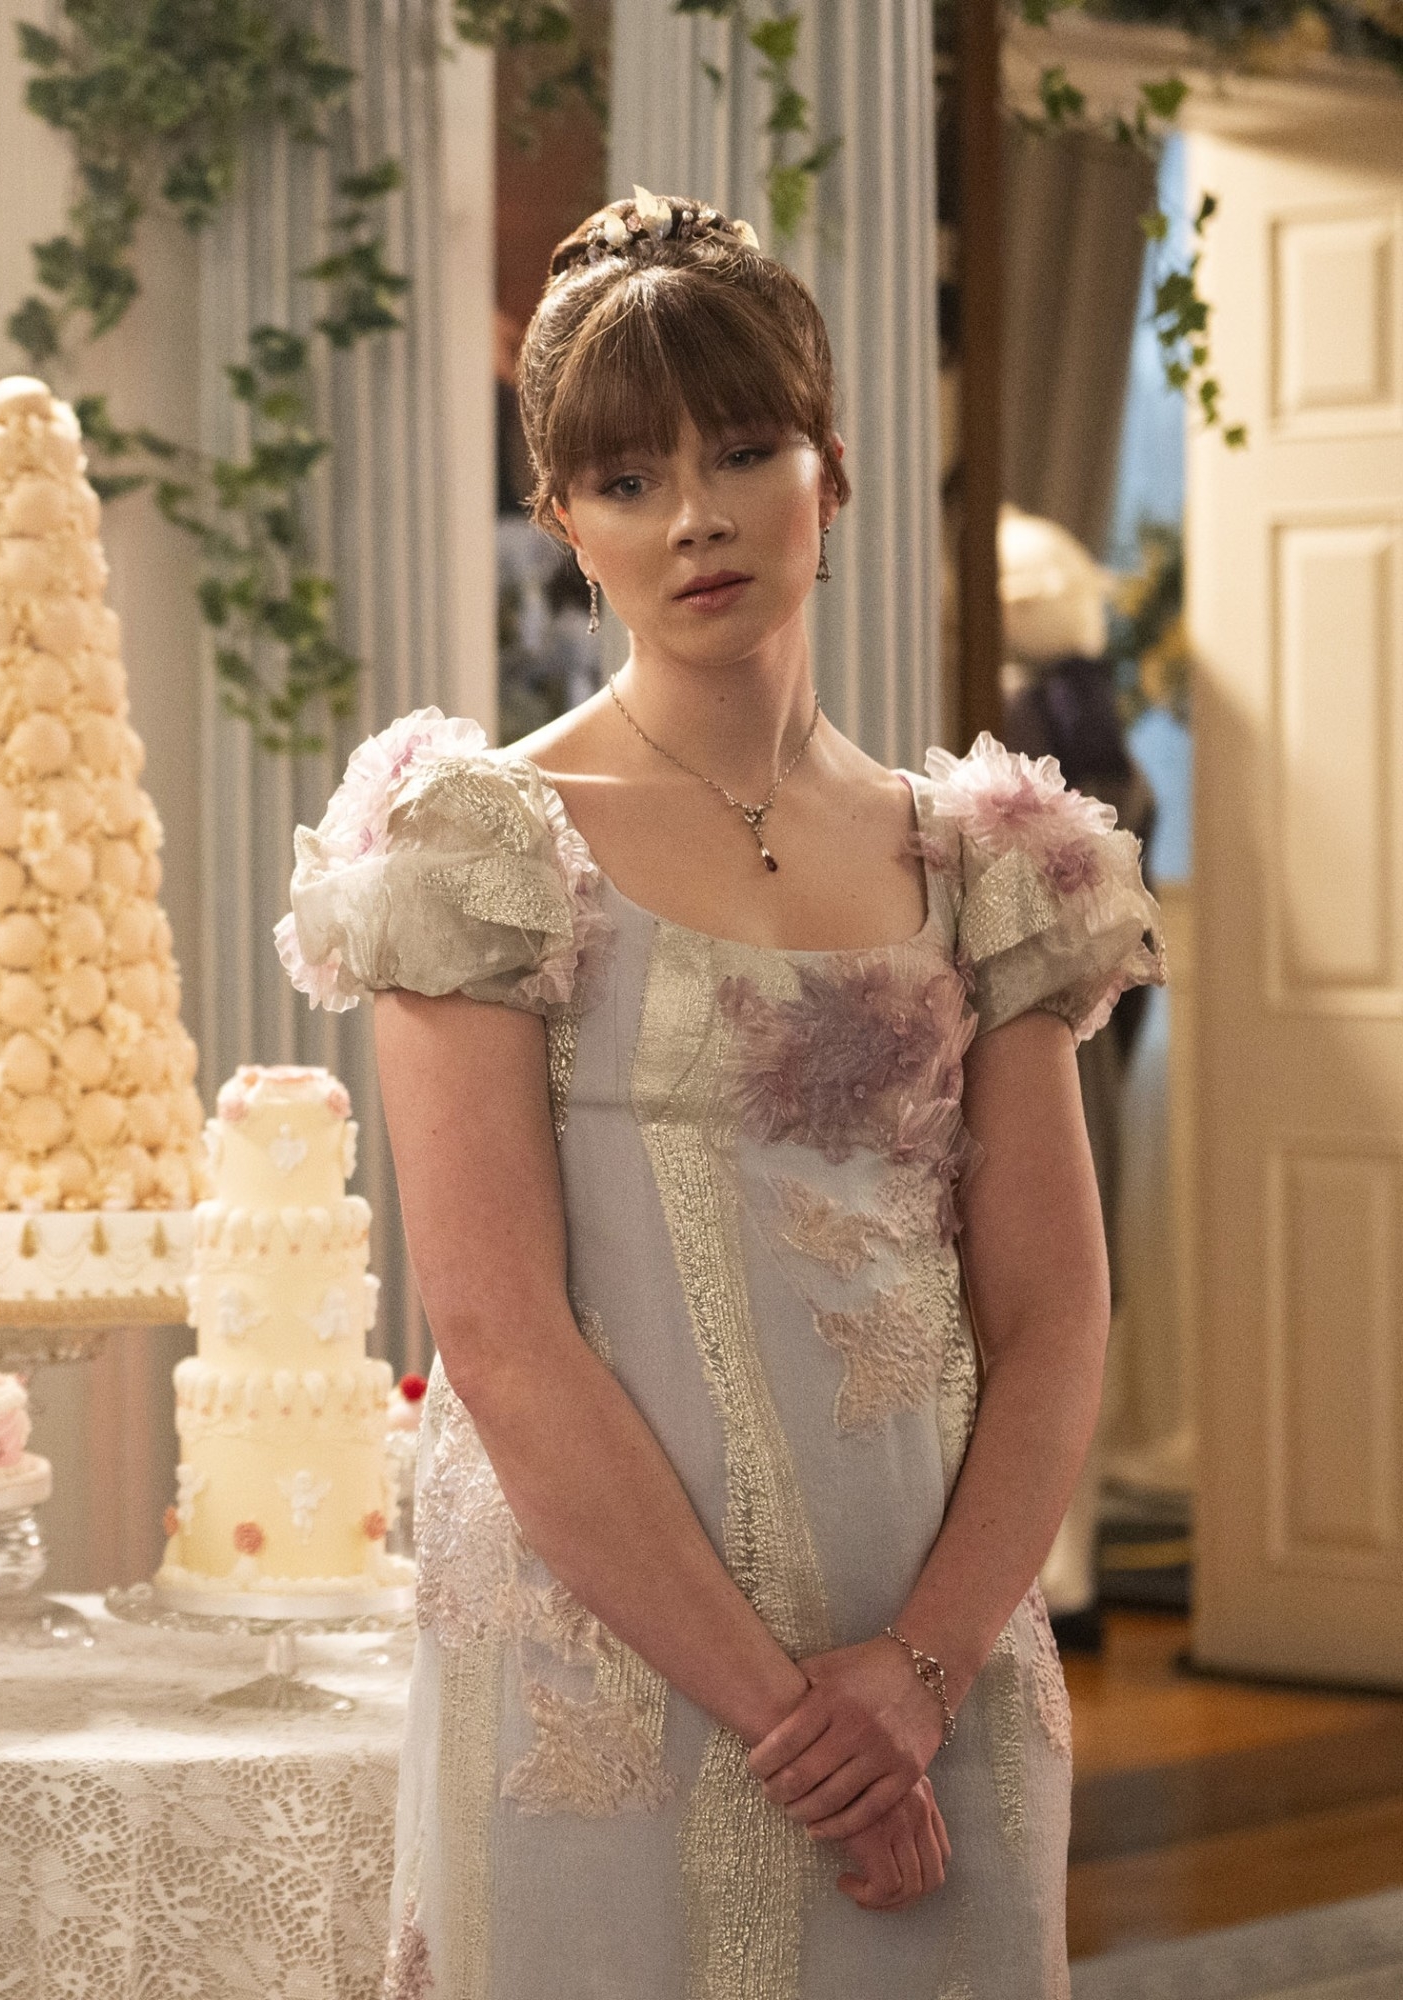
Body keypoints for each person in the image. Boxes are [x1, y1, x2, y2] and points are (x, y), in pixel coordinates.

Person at [279, 189, 1160, 1995]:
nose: (693, 516)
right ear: (565, 528)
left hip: (934, 1654)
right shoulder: (479, 846)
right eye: (625, 479)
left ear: (831, 469)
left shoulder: (991, 860)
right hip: (600, 1685)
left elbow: (1057, 1311)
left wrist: (910, 1679)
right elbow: (501, 1337)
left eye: (743, 449)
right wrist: (799, 1725)